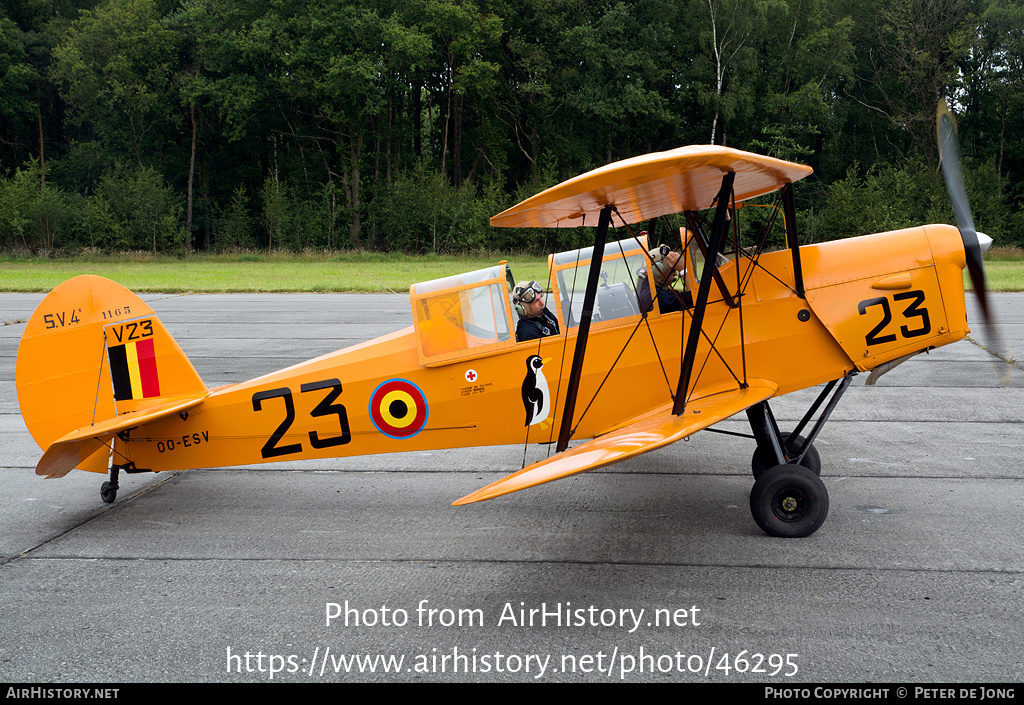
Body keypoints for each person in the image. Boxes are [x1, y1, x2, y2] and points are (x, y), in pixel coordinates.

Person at [637, 244, 690, 314]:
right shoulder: (657, 296)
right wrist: (683, 270)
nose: (676, 274)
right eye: (672, 270)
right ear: (657, 271)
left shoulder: (647, 287)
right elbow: (694, 300)